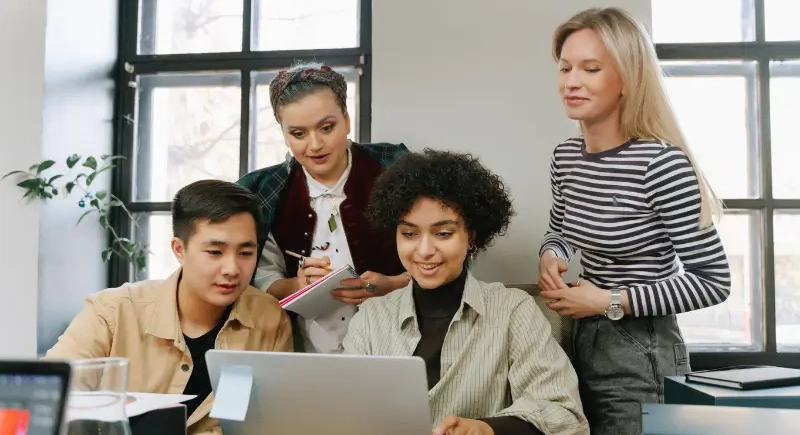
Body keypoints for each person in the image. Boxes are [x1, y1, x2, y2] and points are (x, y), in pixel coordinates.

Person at [538, 7, 732, 435]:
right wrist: (552, 254)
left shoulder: (662, 165)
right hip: (581, 338)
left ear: (628, 77)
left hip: (642, 347)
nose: (571, 81)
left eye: (591, 68)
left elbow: (713, 280)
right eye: (565, 67)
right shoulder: (566, 157)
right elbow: (563, 230)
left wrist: (608, 300)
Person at [343, 149, 589, 435]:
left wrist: (486, 429)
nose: (424, 251)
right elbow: (347, 416)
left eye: (443, 233)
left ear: (470, 236)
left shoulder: (512, 311)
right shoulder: (370, 320)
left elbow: (565, 416)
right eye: (409, 234)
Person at [45, 180, 293, 435]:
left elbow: (266, 424)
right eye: (215, 252)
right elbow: (49, 400)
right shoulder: (111, 312)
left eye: (245, 253)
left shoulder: (269, 319)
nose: (232, 269)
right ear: (179, 249)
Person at [237, 62, 410, 354]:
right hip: (304, 352)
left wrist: (391, 286)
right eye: (298, 134)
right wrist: (296, 284)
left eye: (327, 128)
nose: (315, 144)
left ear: (347, 119)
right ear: (284, 133)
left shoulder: (395, 169)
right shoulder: (263, 191)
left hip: (397, 346)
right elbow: (261, 276)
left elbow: (441, 255)